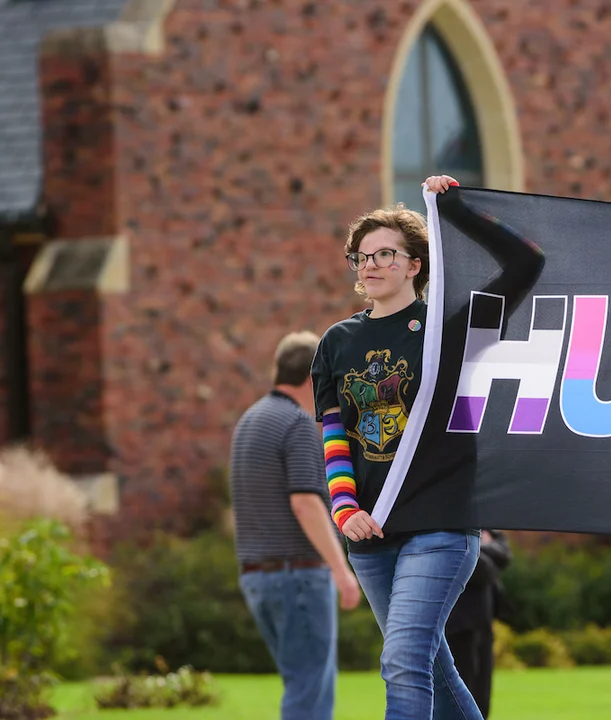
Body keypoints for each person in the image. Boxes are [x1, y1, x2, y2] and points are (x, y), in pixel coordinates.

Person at [311, 174, 544, 720]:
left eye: (385, 253)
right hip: (370, 533)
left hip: (440, 523)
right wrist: (344, 509)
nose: (370, 265)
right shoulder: (336, 343)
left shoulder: (450, 329)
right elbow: (334, 436)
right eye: (361, 257)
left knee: (402, 660)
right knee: (431, 666)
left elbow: (526, 263)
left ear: (415, 264)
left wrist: (454, 209)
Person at [229, 330, 363, 720]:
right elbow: (306, 502)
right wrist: (342, 571)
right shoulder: (298, 424)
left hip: (257, 577)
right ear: (313, 377)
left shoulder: (250, 421)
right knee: (310, 691)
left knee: (299, 683)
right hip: (298, 576)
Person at [445, 529, 512, 718]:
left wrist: (477, 549)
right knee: (459, 687)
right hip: (455, 624)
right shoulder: (448, 525)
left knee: (482, 690)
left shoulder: (488, 526)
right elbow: (482, 570)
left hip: (483, 621)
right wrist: (481, 546)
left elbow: (505, 555)